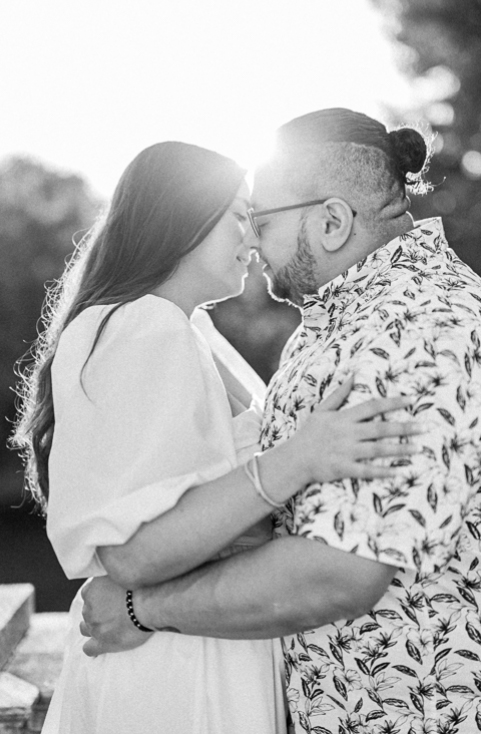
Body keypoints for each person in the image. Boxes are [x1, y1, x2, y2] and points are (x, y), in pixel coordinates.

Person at [79, 109, 481, 733]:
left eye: (260, 221)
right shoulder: (337, 322)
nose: (252, 243)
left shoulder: (418, 330)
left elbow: (339, 573)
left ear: (331, 221)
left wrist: (142, 609)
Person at [10, 142, 421, 733]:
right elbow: (132, 550)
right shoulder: (146, 328)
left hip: (195, 641)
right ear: (181, 220)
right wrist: (299, 460)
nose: (253, 239)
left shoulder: (181, 325)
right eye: (237, 216)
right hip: (174, 666)